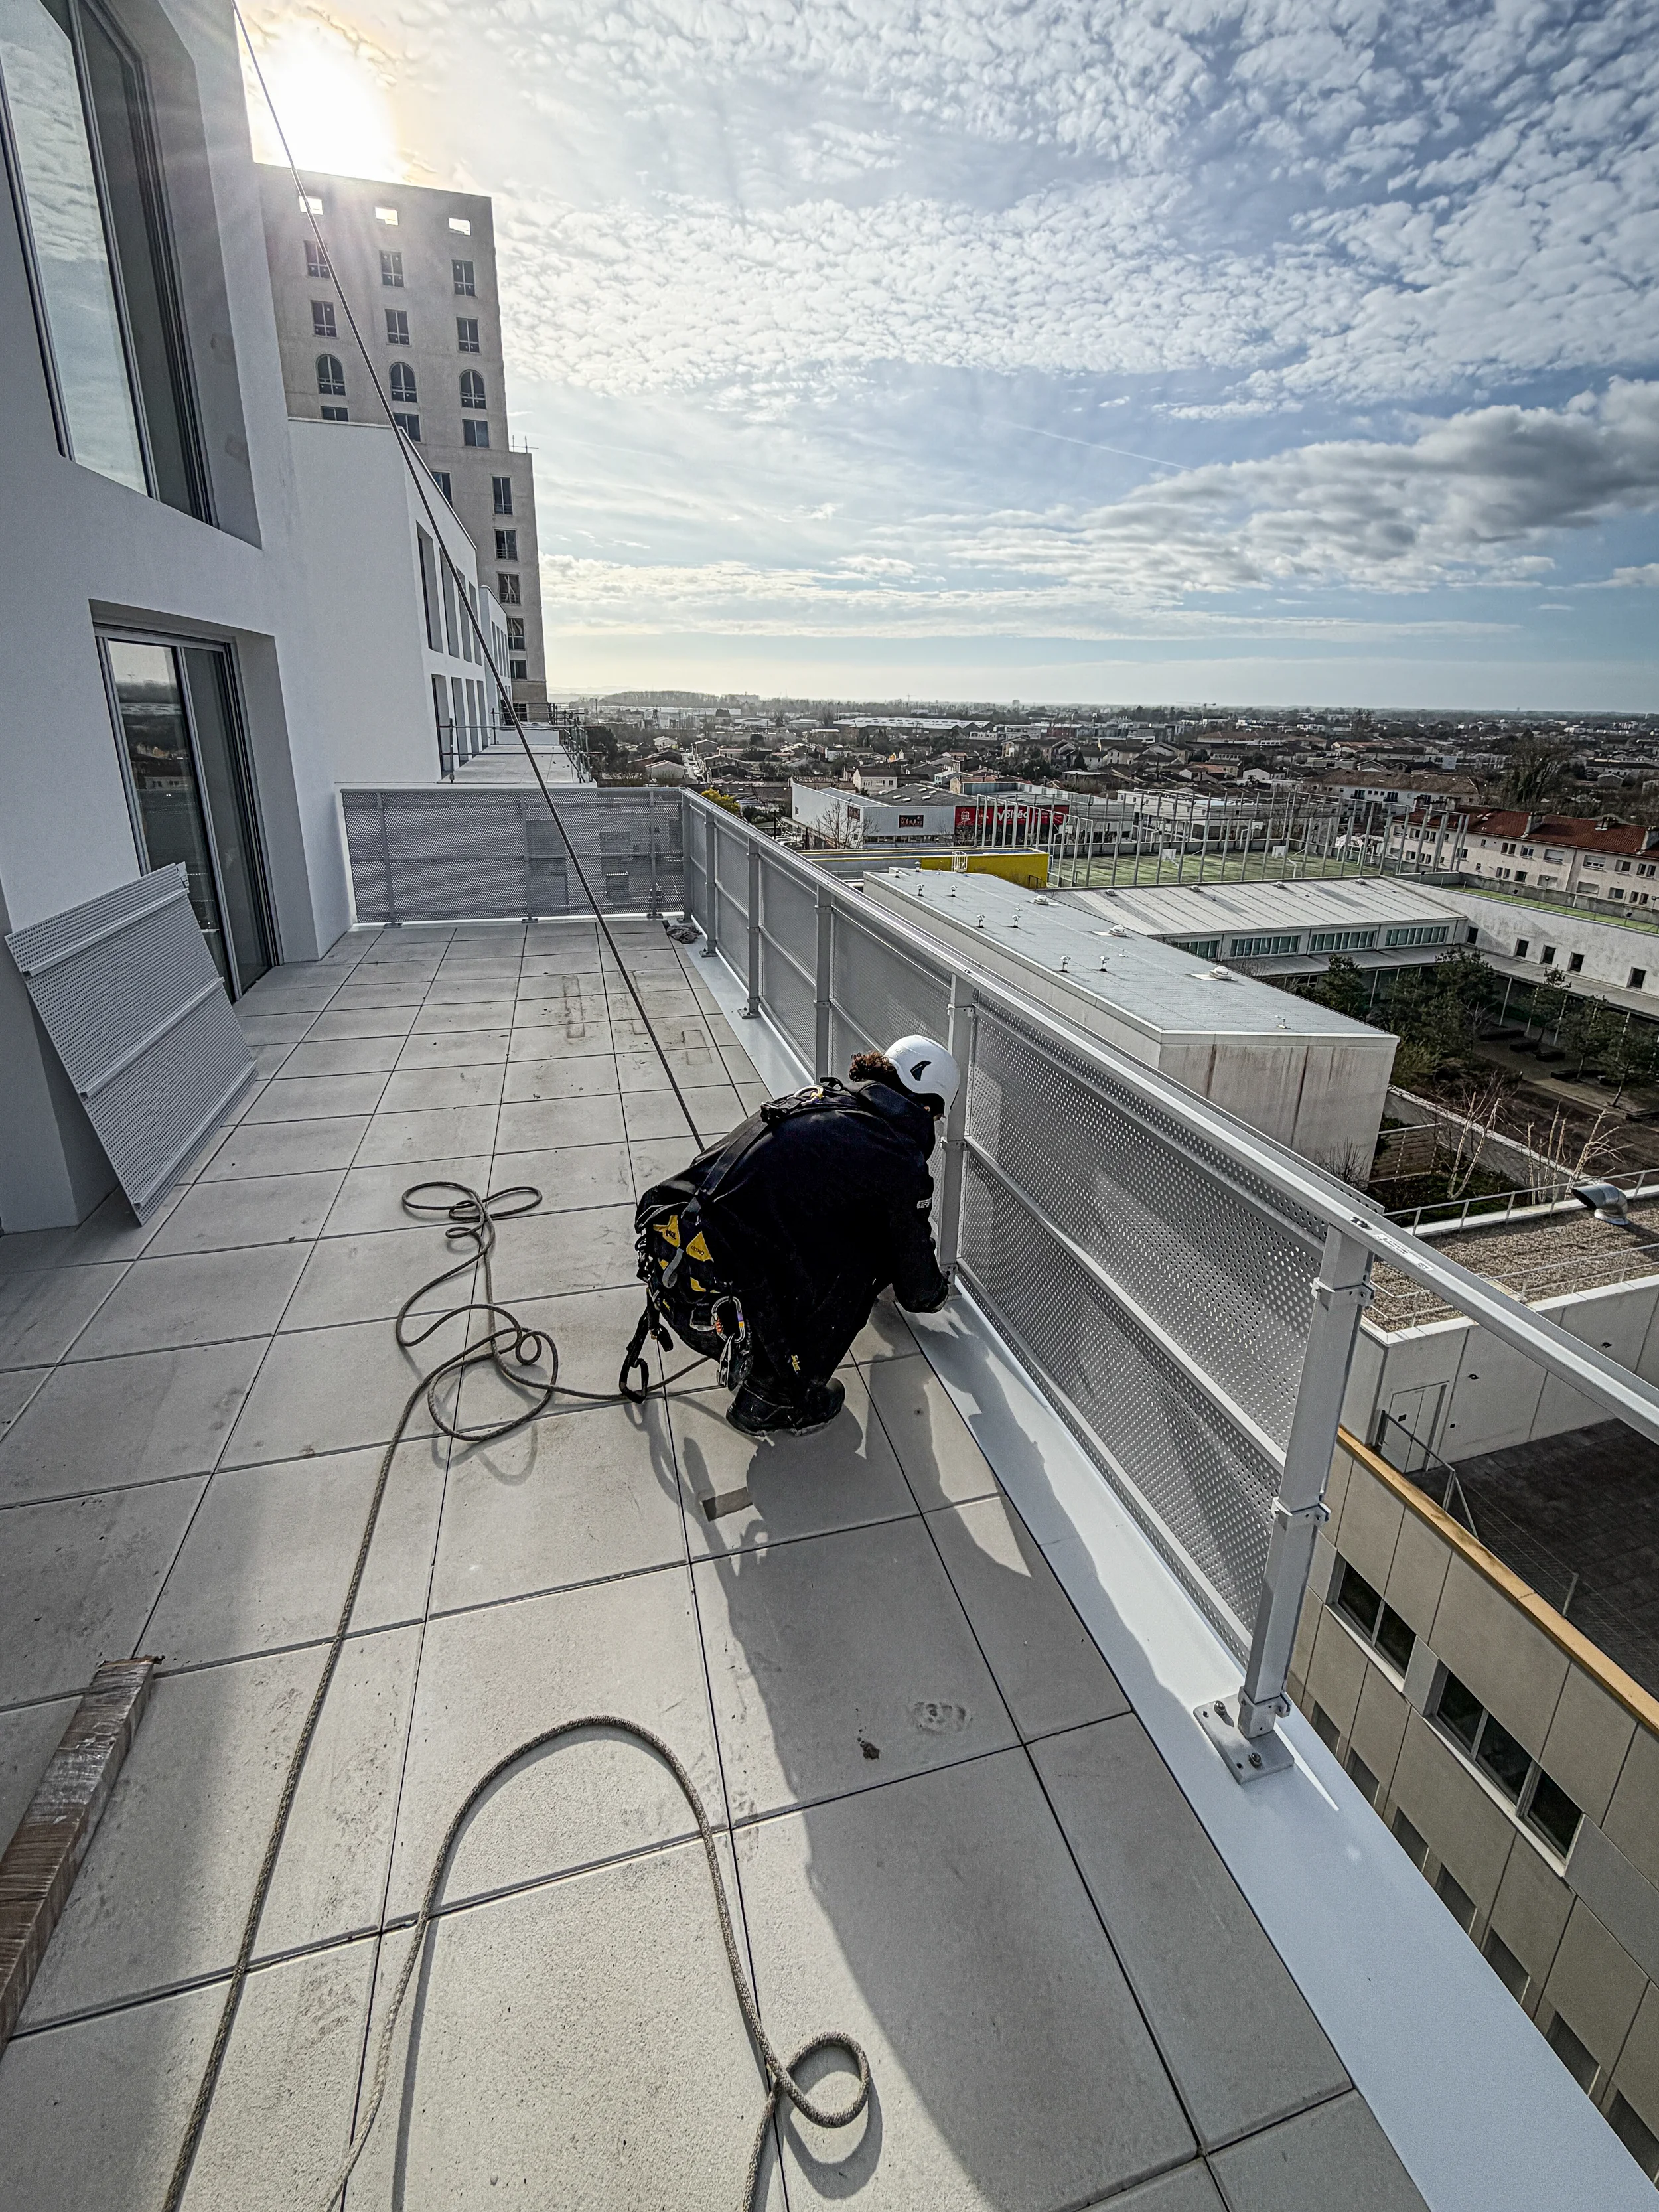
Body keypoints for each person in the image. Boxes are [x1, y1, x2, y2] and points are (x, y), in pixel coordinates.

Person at [634, 1035, 958, 1436]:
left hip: (674, 1250)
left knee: (832, 1231)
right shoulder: (896, 1155)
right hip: (720, 1288)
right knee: (866, 1259)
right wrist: (934, 1292)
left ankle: (762, 1364)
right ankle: (775, 1398)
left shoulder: (827, 1099)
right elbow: (913, 1280)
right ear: (927, 1105)